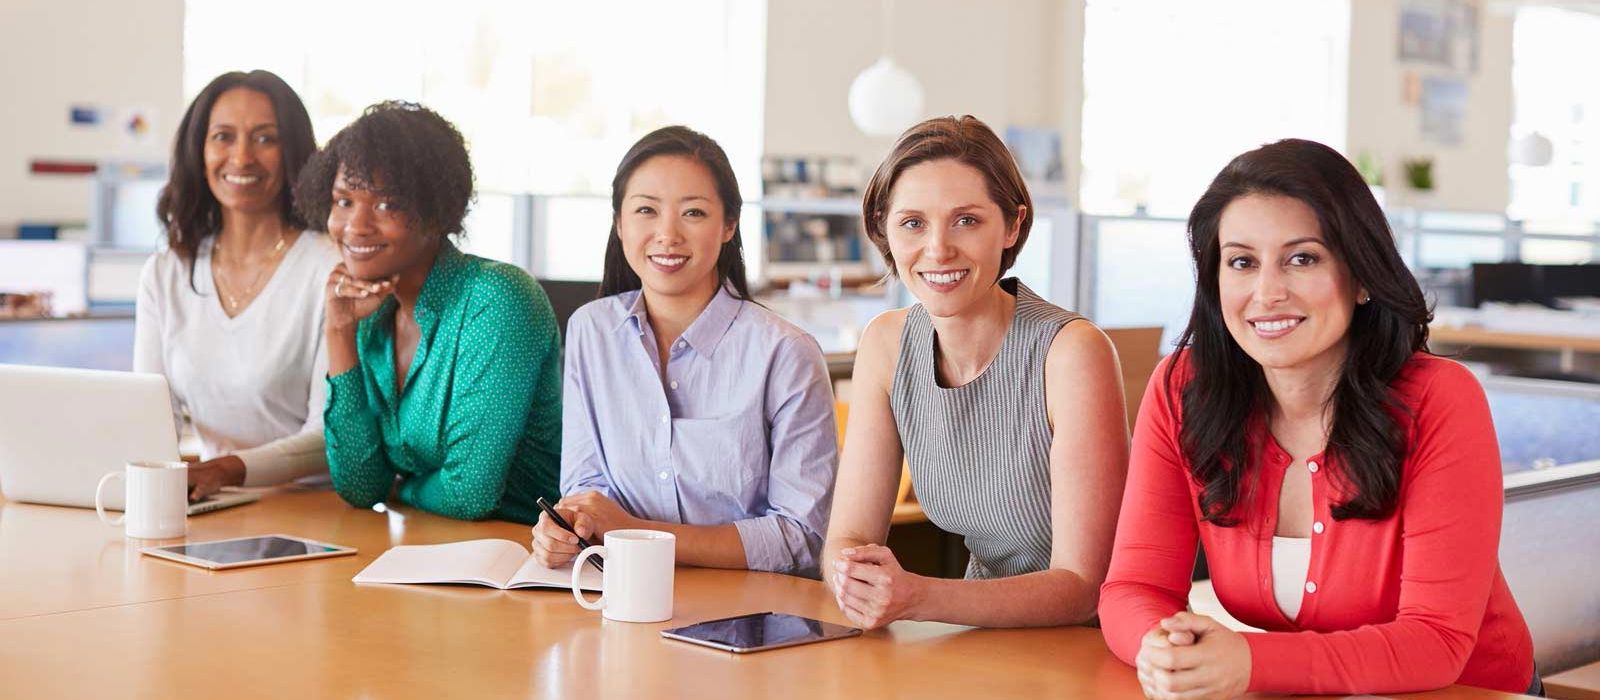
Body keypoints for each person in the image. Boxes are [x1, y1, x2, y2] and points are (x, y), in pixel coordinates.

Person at [1098, 139, 1538, 698]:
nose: (1267, 292)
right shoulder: (1184, 389)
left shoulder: (1439, 398)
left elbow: (1436, 641)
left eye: (1302, 258)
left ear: (1361, 276)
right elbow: (1133, 587)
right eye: (1241, 262)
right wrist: (1160, 647)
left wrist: (1250, 662)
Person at [820, 116, 1129, 628]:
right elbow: (848, 538)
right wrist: (853, 578)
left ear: (1012, 225)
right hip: (979, 637)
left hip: (1093, 643)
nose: (938, 248)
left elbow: (1082, 587)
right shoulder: (887, 344)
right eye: (913, 222)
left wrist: (915, 597)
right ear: (885, 228)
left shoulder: (1071, 351)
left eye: (966, 220)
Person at [529, 126, 837, 578]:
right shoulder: (591, 331)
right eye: (646, 211)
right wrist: (570, 527)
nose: (667, 234)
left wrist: (637, 534)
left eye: (693, 212)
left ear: (729, 225)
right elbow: (586, 487)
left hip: (750, 615)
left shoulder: (786, 353)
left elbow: (801, 538)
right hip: (618, 597)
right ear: (619, 223)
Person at [299, 101, 562, 524]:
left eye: (386, 205)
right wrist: (339, 331)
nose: (356, 226)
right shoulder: (372, 317)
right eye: (343, 201)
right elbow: (360, 486)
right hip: (435, 553)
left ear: (435, 209)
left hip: (528, 561)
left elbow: (470, 494)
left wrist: (400, 489)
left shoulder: (498, 300)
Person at [137, 70, 338, 501]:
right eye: (223, 136)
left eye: (265, 138)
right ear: (200, 151)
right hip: (213, 507)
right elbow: (150, 422)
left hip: (314, 514)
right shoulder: (166, 272)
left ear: (293, 153)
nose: (242, 157)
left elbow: (331, 436)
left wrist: (225, 469)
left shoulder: (330, 267)